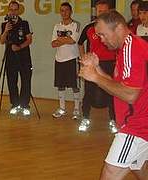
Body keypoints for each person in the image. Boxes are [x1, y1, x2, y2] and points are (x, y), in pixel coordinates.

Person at [79, 10, 148, 180]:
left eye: (102, 34)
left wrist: (94, 77)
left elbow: (130, 95)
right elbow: (118, 85)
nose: (101, 40)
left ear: (118, 28)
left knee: (109, 174)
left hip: (136, 127)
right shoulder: (126, 48)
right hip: (137, 123)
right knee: (140, 169)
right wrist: (97, 70)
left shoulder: (132, 49)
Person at [77, 0, 117, 133]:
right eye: (100, 11)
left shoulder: (114, 28)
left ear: (109, 11)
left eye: (104, 11)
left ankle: (113, 120)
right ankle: (86, 118)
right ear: (96, 12)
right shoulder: (89, 27)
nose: (102, 13)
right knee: (89, 91)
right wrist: (83, 58)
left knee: (111, 92)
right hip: (94, 64)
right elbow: (80, 43)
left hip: (110, 64)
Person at [0, 0, 33, 116]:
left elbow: (29, 40)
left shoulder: (25, 24)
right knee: (12, 82)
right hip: (10, 57)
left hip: (24, 57)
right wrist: (6, 30)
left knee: (26, 81)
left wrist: (19, 47)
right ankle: (15, 104)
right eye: (11, 9)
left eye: (15, 9)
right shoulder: (4, 24)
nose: (13, 12)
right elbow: (2, 41)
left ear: (18, 10)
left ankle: (24, 105)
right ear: (8, 10)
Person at [51, 2, 80, 120]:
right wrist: (65, 39)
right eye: (62, 11)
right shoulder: (56, 26)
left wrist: (60, 39)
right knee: (60, 85)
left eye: (66, 10)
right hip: (59, 59)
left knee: (75, 85)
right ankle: (62, 108)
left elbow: (73, 41)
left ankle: (77, 109)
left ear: (71, 11)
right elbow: (53, 44)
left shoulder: (76, 24)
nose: (64, 13)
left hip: (72, 59)